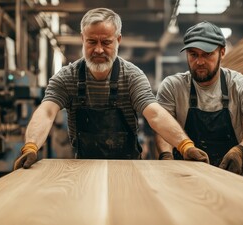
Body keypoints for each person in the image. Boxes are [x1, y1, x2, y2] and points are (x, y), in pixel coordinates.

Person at [13, 8, 209, 170]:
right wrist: (31, 147)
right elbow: (47, 112)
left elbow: (155, 114)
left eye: (106, 42)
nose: (98, 49)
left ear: (118, 40)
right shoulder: (67, 77)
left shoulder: (132, 76)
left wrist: (185, 145)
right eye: (92, 42)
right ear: (82, 39)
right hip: (82, 169)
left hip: (129, 168)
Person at [155, 21, 243, 176]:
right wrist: (166, 157)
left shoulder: (241, 85)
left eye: (207, 54)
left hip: (231, 175)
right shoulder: (173, 86)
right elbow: (162, 126)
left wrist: (240, 151)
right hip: (183, 176)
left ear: (222, 52)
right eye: (193, 54)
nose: (199, 62)